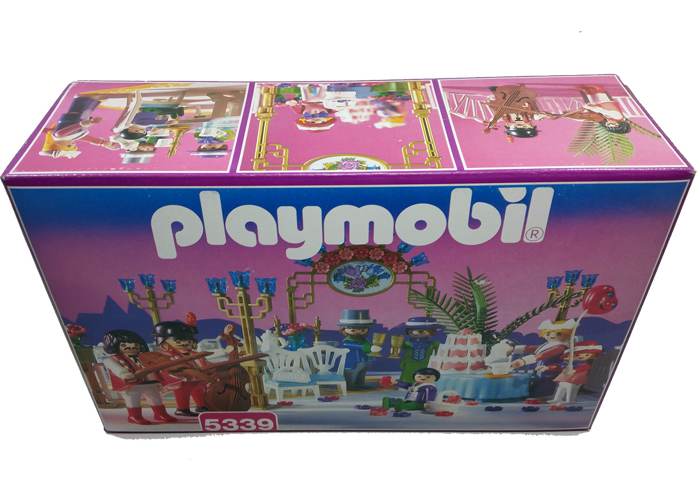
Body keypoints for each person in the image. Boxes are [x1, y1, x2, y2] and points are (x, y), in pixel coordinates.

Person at [101, 329, 177, 425]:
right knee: (133, 400)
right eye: (124, 345)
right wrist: (123, 374)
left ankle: (161, 414)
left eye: (135, 345)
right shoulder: (113, 359)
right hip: (131, 385)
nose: (131, 347)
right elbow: (115, 367)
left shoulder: (145, 357)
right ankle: (134, 416)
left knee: (156, 398)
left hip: (149, 382)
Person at [154, 317, 209, 417]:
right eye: (178, 341)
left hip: (194, 376)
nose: (185, 343)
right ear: (164, 344)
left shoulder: (192, 354)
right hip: (178, 377)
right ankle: (182, 408)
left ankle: (202, 405)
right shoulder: (168, 356)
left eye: (188, 341)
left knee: (199, 387)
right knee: (183, 390)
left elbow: (203, 363)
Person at [511, 319, 576, 397]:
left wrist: (523, 361)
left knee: (539, 392)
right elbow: (531, 348)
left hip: (551, 376)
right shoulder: (547, 345)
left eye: (558, 334)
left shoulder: (560, 347)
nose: (552, 336)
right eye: (548, 333)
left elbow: (543, 355)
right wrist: (513, 349)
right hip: (541, 375)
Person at [338, 309, 381, 389]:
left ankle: (360, 383)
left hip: (362, 360)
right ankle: (351, 385)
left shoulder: (362, 340)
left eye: (362, 330)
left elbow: (366, 345)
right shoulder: (347, 341)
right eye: (353, 330)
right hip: (351, 363)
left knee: (361, 373)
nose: (358, 332)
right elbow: (354, 346)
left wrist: (372, 348)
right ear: (344, 329)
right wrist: (369, 348)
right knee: (353, 374)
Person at [397, 317, 441, 388]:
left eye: (421, 331)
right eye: (411, 331)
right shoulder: (407, 343)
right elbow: (397, 347)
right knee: (407, 376)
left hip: (425, 366)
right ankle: (406, 383)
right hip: (409, 365)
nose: (415, 332)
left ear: (431, 331)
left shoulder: (433, 344)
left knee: (423, 378)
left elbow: (440, 352)